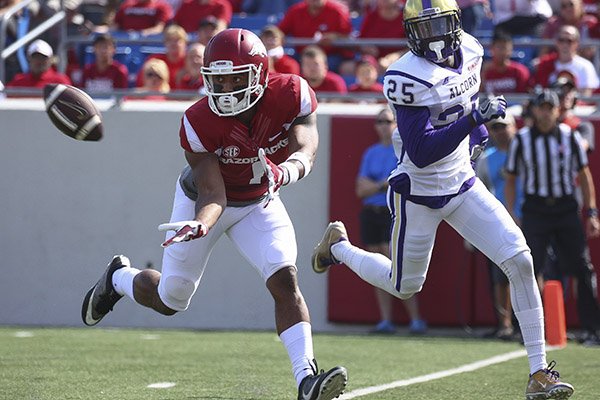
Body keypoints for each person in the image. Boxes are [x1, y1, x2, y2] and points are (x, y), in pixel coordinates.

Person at [311, 1, 574, 398]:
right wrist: (473, 121)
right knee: (403, 285)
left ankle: (538, 372)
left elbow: (466, 105)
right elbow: (420, 149)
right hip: (417, 192)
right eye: (423, 27)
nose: (433, 36)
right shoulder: (405, 75)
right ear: (410, 32)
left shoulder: (471, 49)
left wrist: (477, 135)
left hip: (462, 183)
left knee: (520, 259)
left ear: (454, 23)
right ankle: (340, 248)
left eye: (438, 25)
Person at [81, 28, 348, 400]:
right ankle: (120, 279)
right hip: (203, 203)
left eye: (233, 78)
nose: (224, 88)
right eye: (216, 79)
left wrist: (288, 170)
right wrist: (201, 223)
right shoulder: (198, 120)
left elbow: (307, 142)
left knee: (285, 279)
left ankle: (306, 380)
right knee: (172, 299)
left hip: (259, 201)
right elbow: (212, 193)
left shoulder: (291, 93)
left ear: (259, 73)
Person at [505, 90, 600, 347]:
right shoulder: (522, 140)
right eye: (542, 107)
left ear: (558, 111)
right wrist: (513, 213)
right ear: (534, 110)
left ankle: (592, 328)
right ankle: (521, 328)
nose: (546, 112)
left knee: (582, 267)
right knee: (527, 267)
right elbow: (511, 178)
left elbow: (584, 176)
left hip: (565, 208)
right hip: (536, 208)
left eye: (550, 108)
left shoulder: (570, 137)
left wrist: (591, 212)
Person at [357, 107, 427, 334]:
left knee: (396, 265)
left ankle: (416, 319)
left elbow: (404, 180)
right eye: (379, 122)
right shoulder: (370, 152)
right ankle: (386, 320)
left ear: (396, 124)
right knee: (377, 265)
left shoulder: (402, 150)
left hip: (393, 211)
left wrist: (376, 184)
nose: (383, 126)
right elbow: (361, 189)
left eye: (387, 121)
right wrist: (382, 184)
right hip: (371, 213)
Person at [476, 112, 522, 341]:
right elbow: (478, 192)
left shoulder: (526, 151)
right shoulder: (487, 158)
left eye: (504, 126)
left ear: (514, 127)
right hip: (498, 222)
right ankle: (504, 324)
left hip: (528, 218)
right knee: (500, 276)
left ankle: (528, 324)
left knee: (530, 271)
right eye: (495, 127)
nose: (500, 131)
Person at [534, 25, 600, 97]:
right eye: (561, 40)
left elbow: (586, 96)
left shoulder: (586, 66)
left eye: (569, 41)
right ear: (556, 42)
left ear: (577, 43)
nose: (565, 44)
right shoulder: (545, 64)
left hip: (578, 107)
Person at [481, 31, 532, 96]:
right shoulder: (484, 71)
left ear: (511, 50)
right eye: (499, 47)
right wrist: (483, 74)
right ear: (492, 49)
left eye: (505, 48)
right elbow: (477, 96)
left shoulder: (520, 71)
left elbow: (524, 98)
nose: (502, 52)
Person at [136, 24, 187, 89]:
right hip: (158, 97)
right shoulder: (154, 60)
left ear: (185, 43)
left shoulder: (191, 61)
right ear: (165, 43)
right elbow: (141, 82)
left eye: (177, 40)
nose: (173, 43)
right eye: (169, 40)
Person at [7, 39, 71, 89]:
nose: (39, 61)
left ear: (50, 60)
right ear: (29, 59)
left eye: (43, 57)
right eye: (35, 57)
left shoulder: (60, 82)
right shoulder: (18, 81)